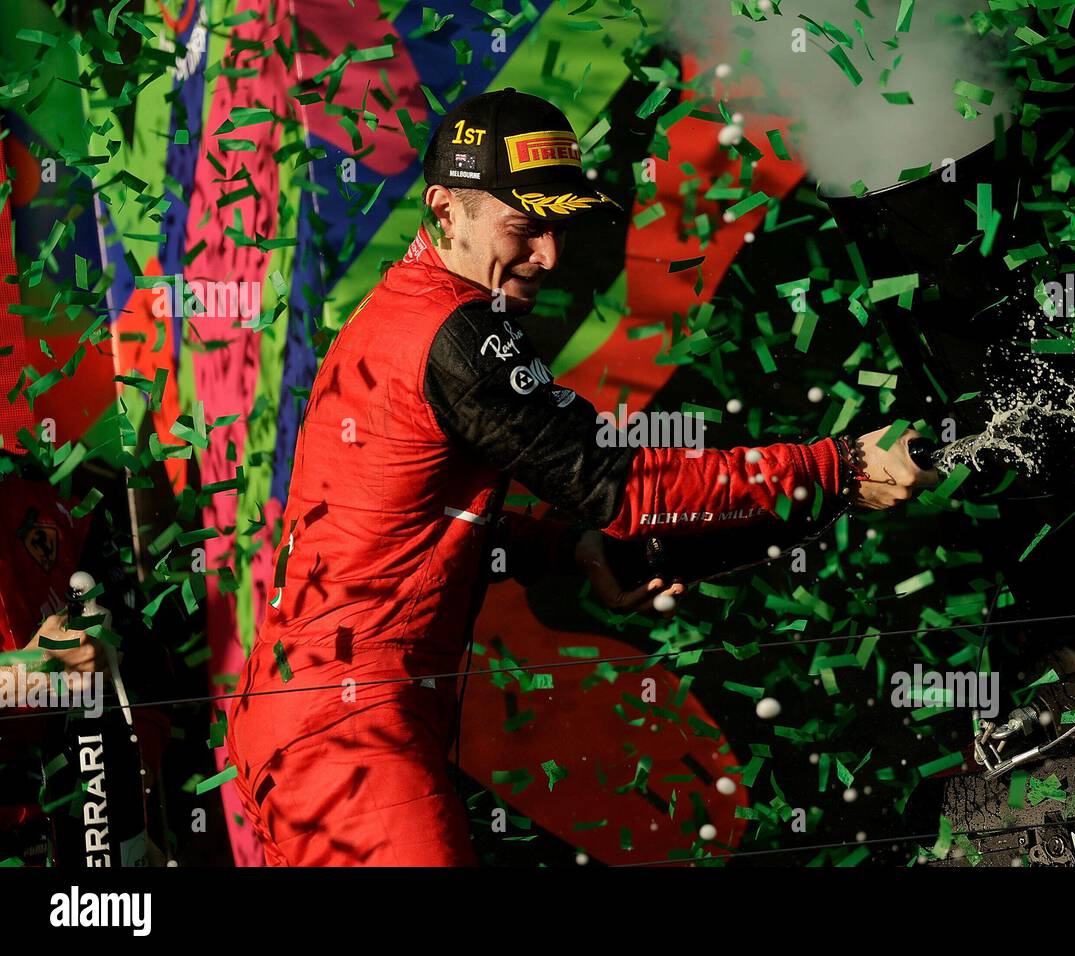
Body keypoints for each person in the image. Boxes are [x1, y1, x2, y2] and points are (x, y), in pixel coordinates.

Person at [225, 87, 937, 866]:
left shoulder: (402, 312)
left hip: (310, 723)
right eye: (526, 227)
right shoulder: (453, 333)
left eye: (559, 227)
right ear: (444, 209)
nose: (550, 256)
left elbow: (412, 523)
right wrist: (839, 465)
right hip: (350, 736)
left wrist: (569, 551)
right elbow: (624, 491)